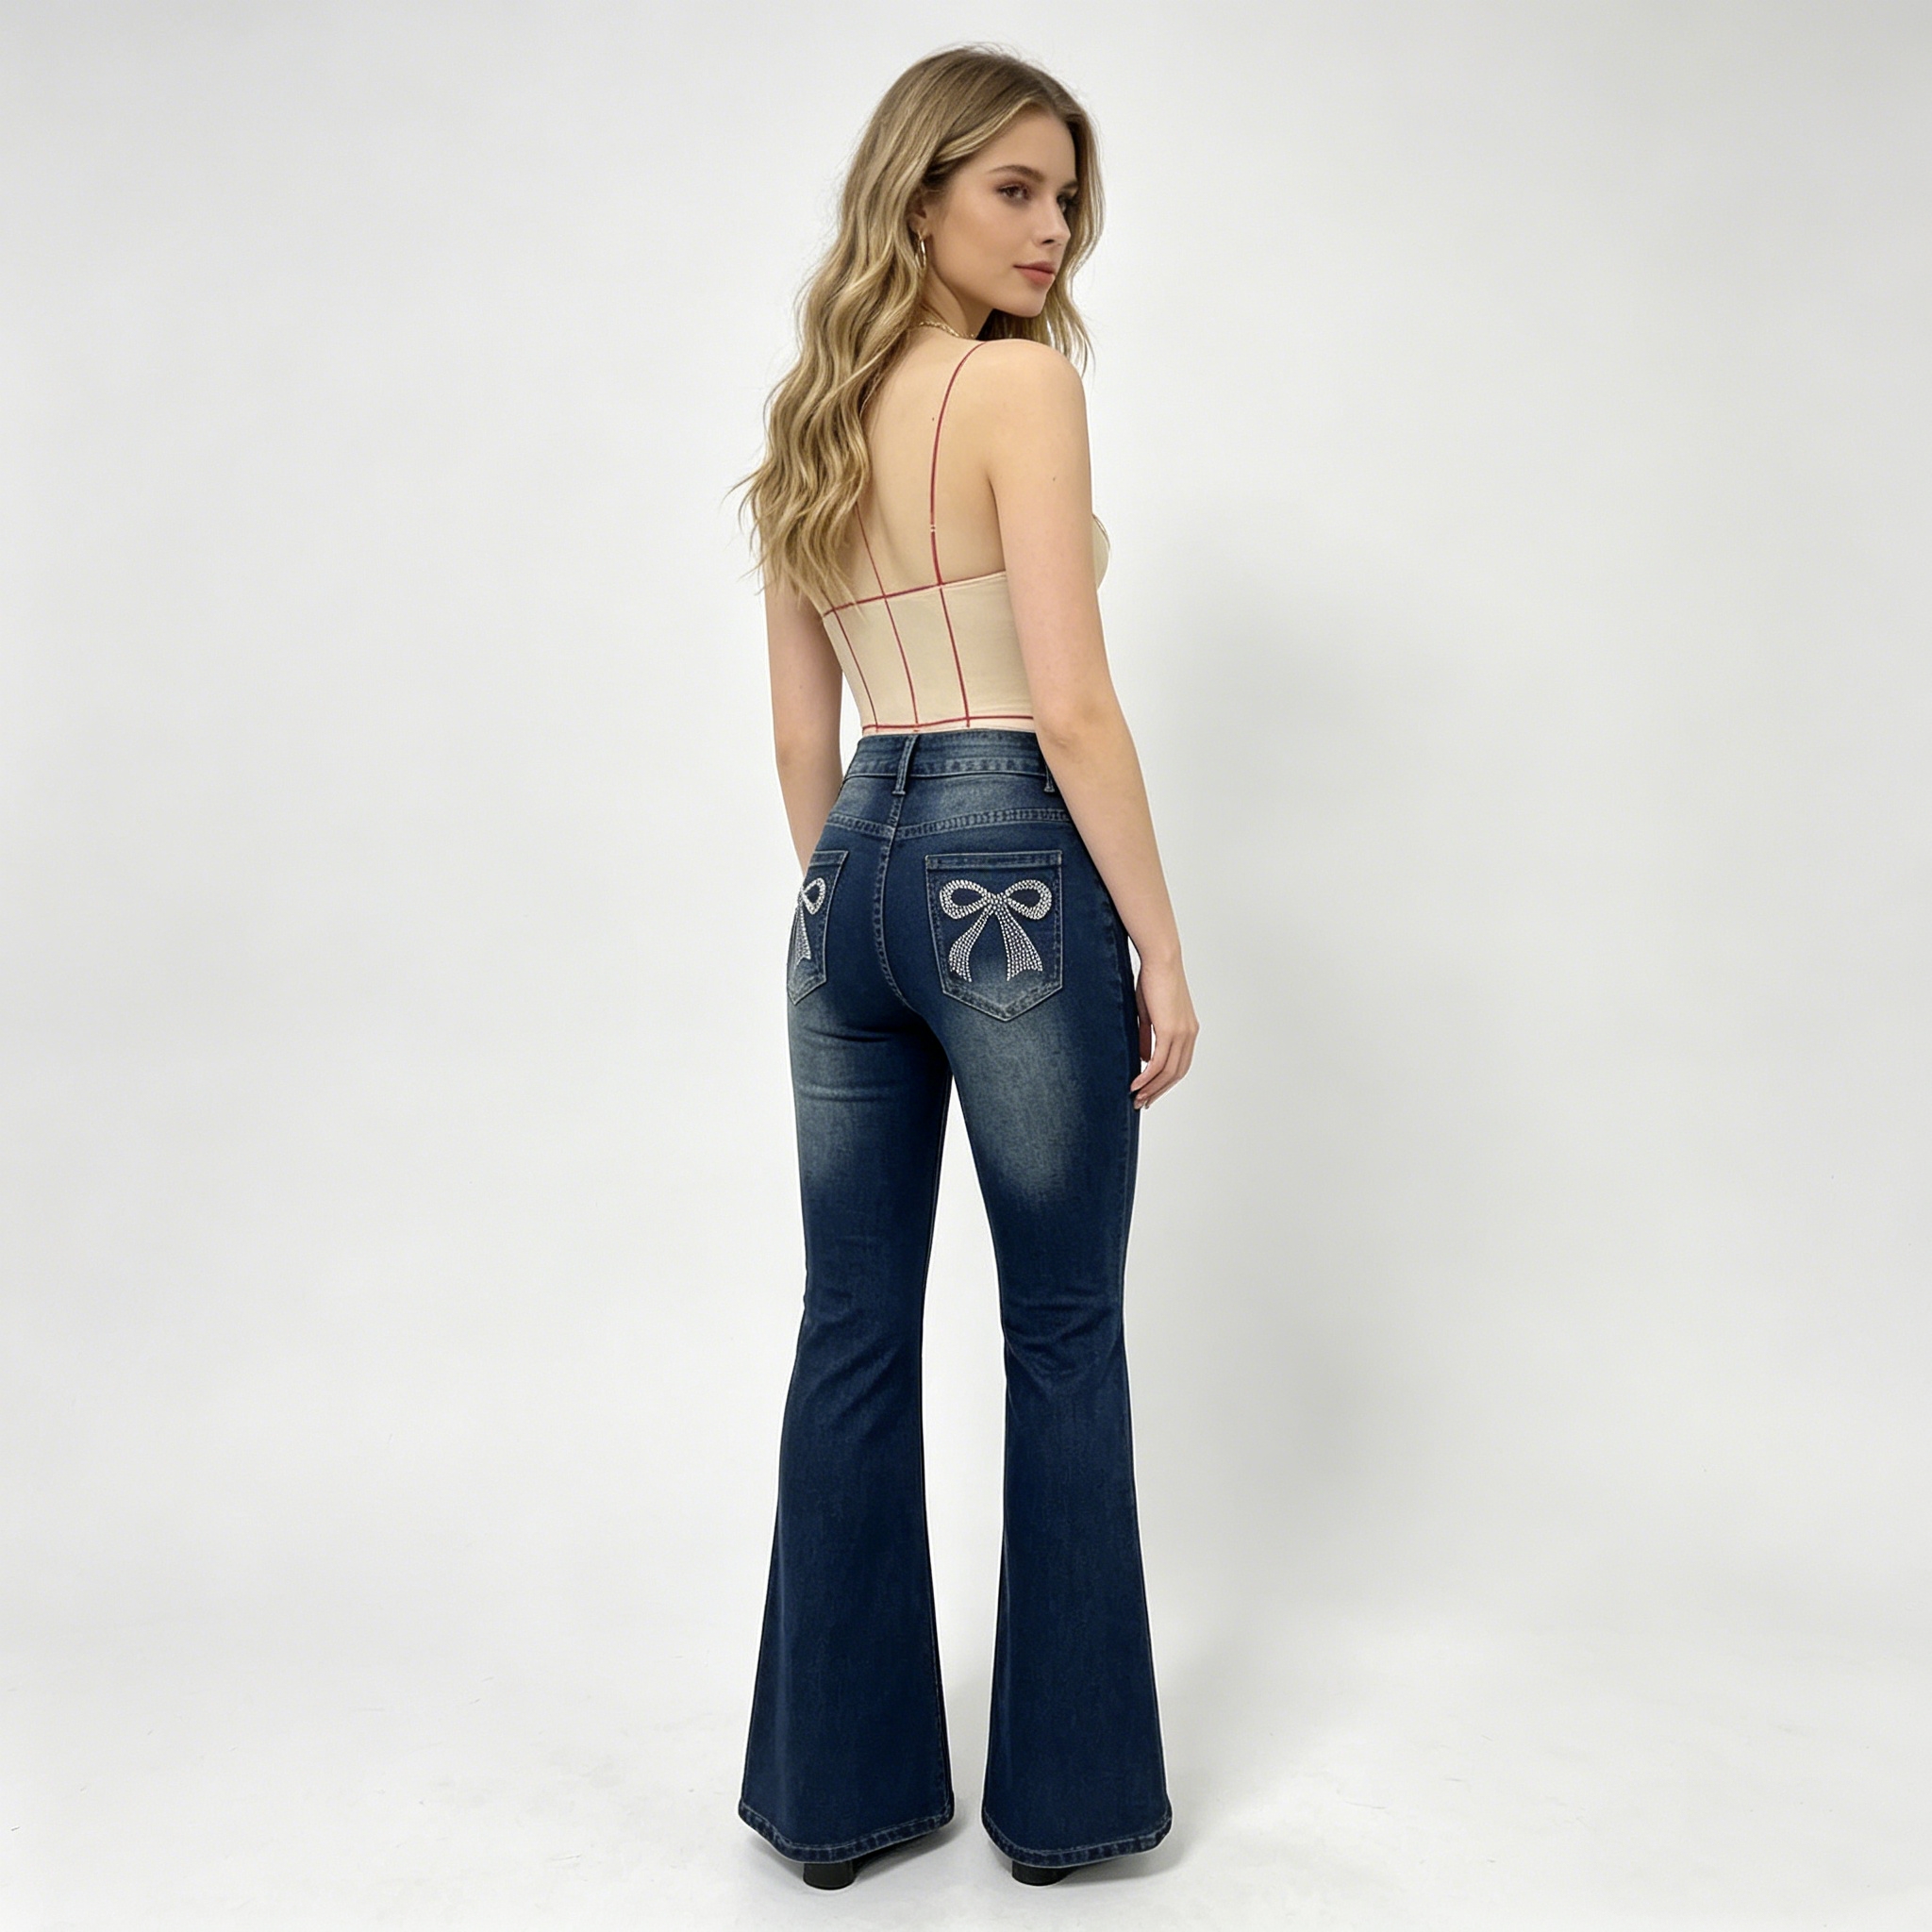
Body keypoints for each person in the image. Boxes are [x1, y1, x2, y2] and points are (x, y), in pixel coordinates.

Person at [730, 43, 1199, 1890]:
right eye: (1014, 187)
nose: (1051, 226)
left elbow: (801, 738)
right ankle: (1067, 1809)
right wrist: (1157, 940)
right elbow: (1069, 704)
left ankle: (831, 1800)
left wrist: (866, 907)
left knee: (849, 1322)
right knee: (1061, 1328)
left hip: (847, 870)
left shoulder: (806, 415)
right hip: (1010, 855)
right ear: (915, 192)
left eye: (1066, 195)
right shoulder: (1020, 388)